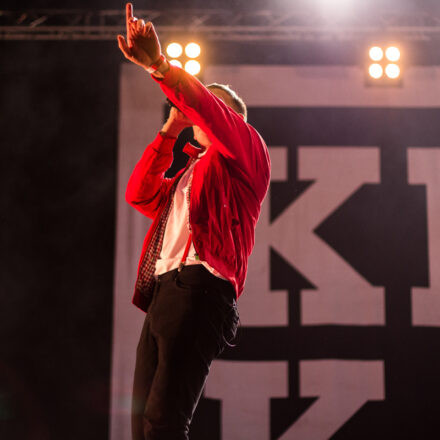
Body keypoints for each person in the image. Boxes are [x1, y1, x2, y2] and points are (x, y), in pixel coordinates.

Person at [118, 3, 271, 439]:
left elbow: (208, 108)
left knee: (164, 420)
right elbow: (140, 194)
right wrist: (170, 129)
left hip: (201, 288)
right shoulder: (190, 174)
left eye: (210, 107)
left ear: (231, 118)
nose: (199, 112)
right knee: (143, 426)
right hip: (164, 292)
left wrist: (162, 67)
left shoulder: (246, 152)